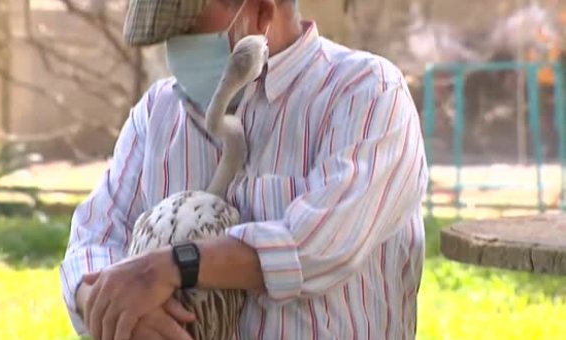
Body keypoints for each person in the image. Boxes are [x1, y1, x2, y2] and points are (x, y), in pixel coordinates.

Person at [60, 0, 429, 339]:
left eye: (189, 32)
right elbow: (94, 238)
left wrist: (170, 266)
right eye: (169, 38)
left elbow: (321, 245)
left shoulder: (367, 93)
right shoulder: (158, 112)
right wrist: (112, 303)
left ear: (262, 13)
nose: (177, 50)